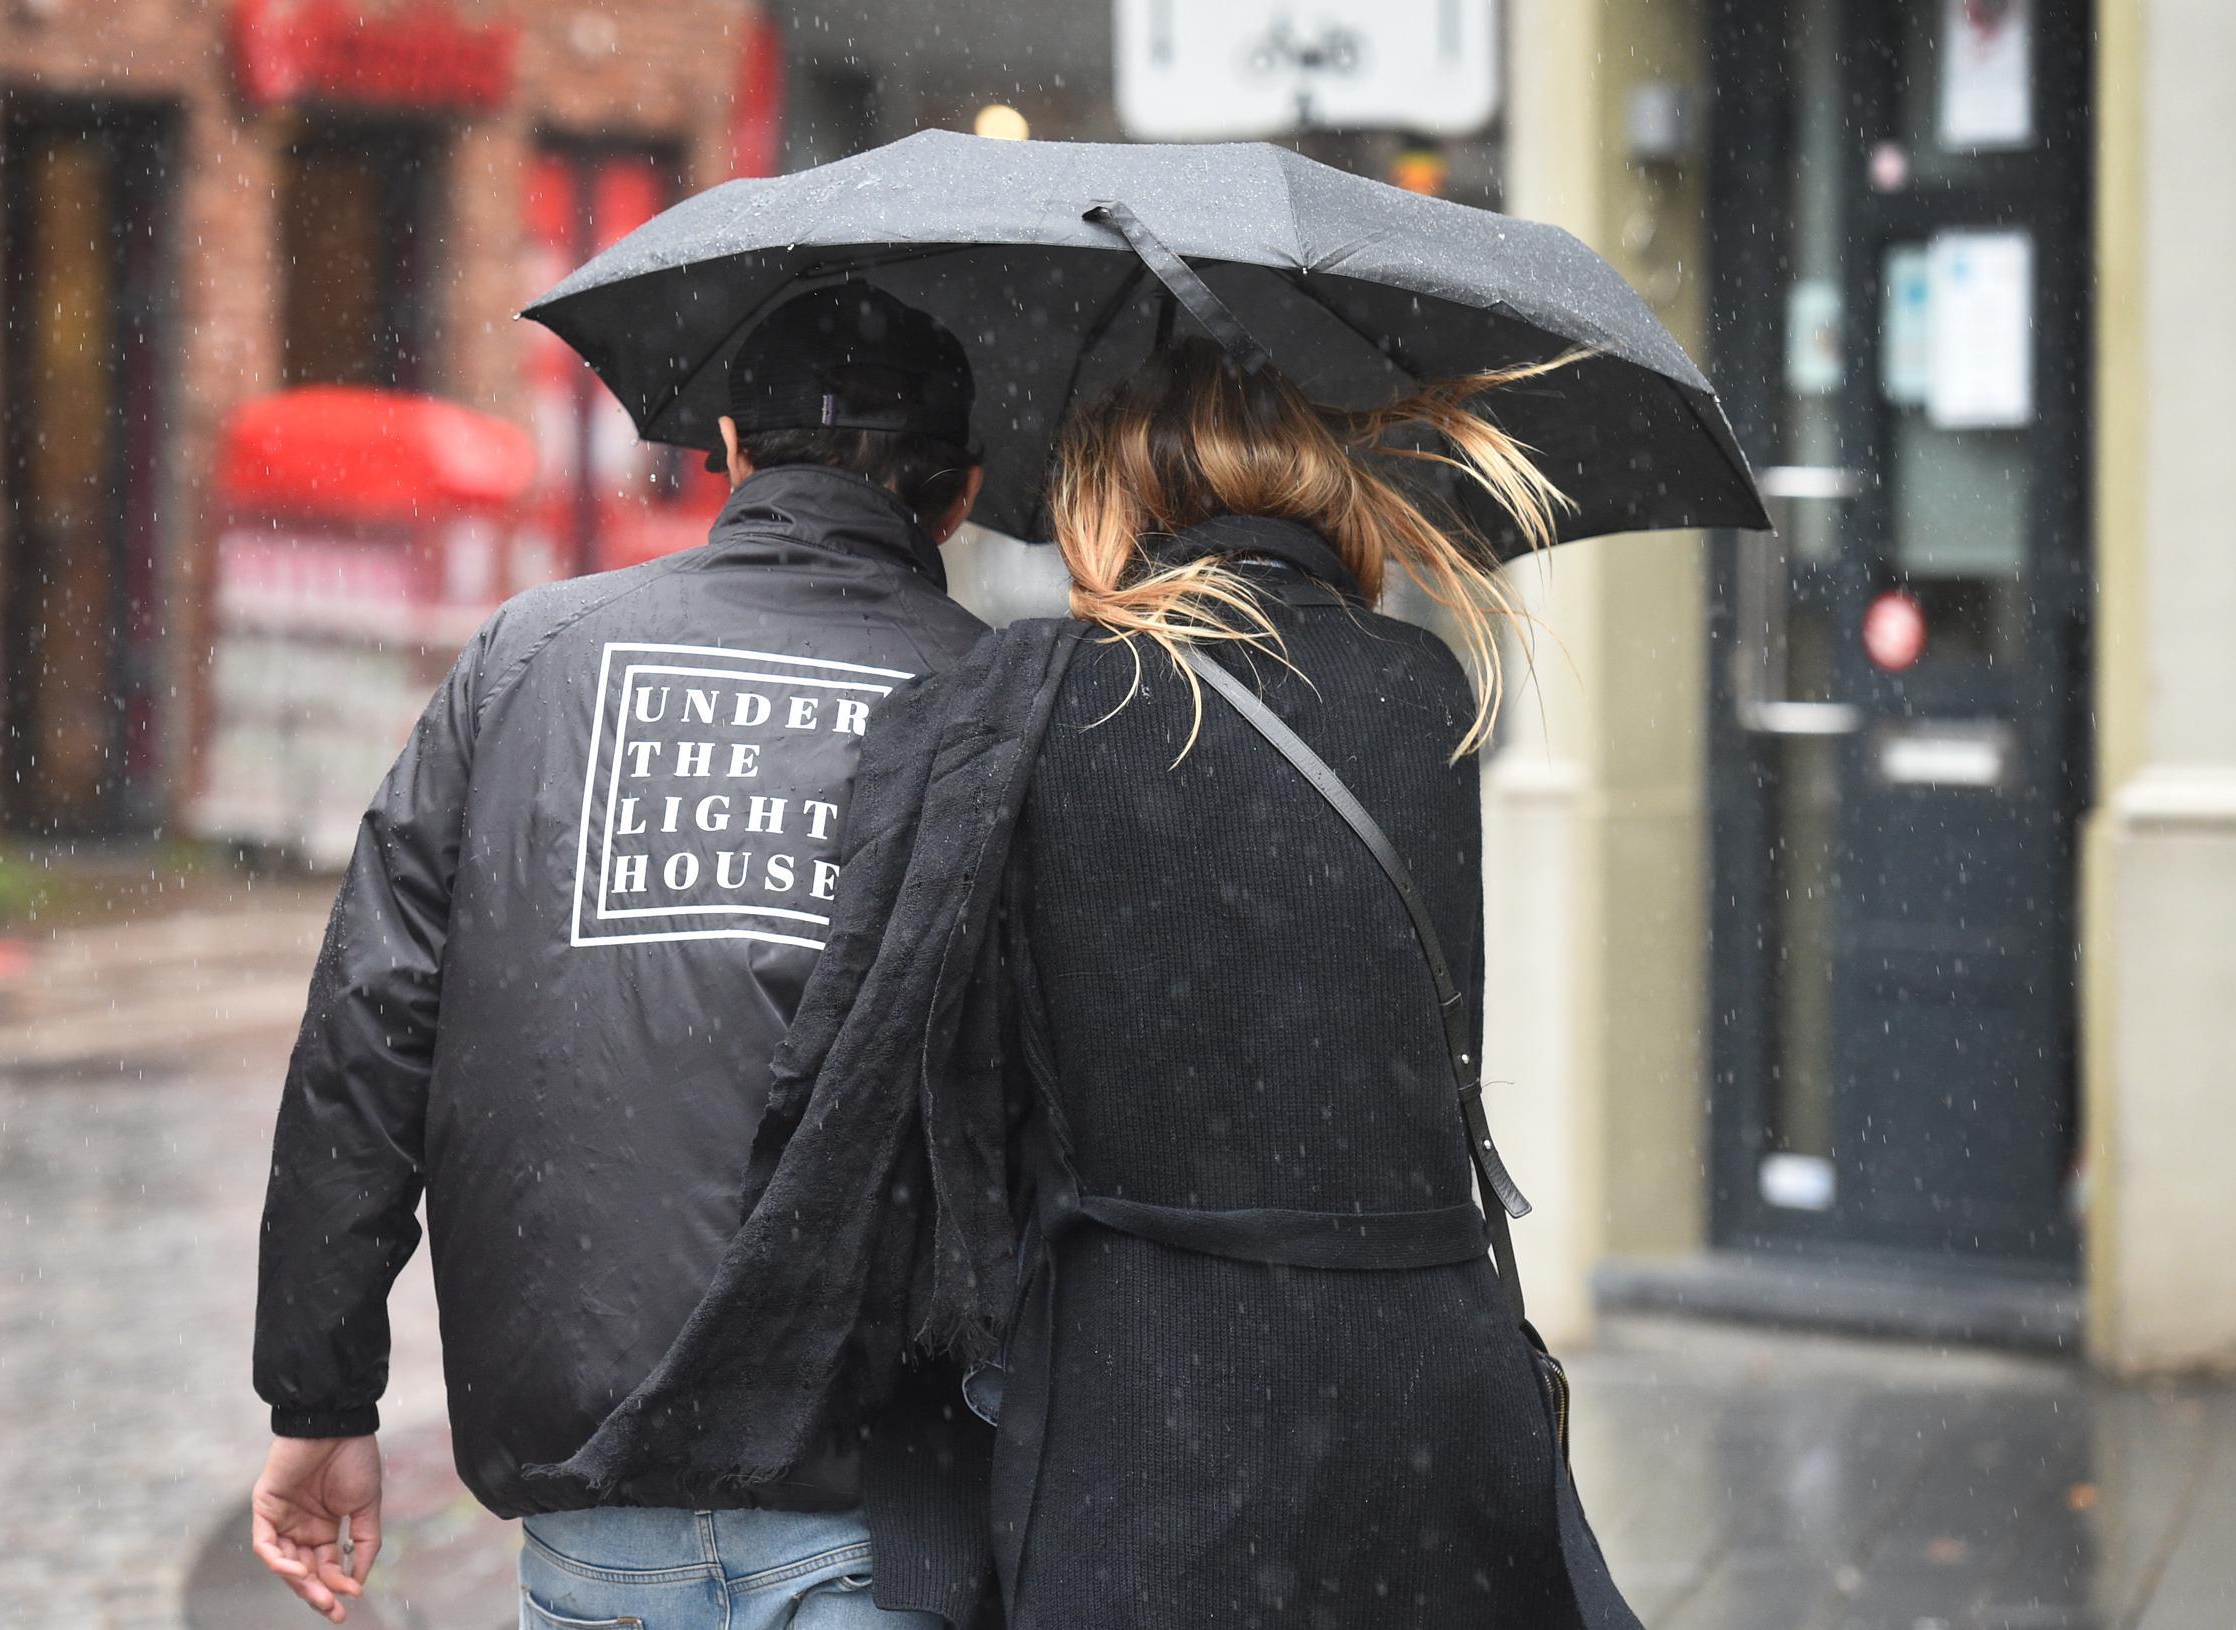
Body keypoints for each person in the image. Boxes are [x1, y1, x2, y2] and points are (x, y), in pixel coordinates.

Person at [538, 335, 1644, 1628]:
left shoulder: (1033, 699)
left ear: (1110, 494)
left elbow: (912, 1078)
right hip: (1421, 1398)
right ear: (1321, 485)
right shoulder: (1426, 691)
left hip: (1157, 1423)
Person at [248, 281, 998, 1630]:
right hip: (882, 1485)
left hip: (600, 1479)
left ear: (726, 443)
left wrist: (321, 1393)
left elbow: (367, 1030)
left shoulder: (531, 661)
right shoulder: (998, 702)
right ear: (959, 496)